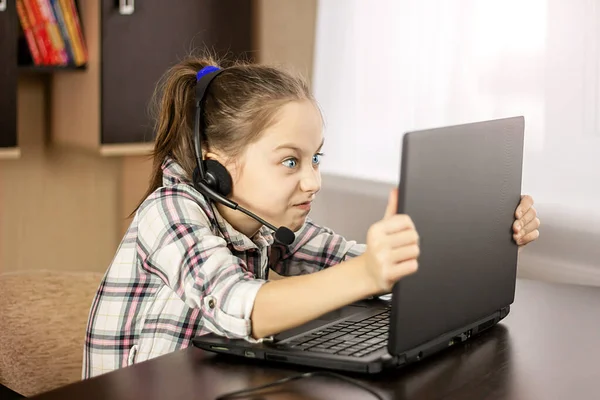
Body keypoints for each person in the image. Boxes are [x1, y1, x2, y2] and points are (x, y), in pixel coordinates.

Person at [82, 54, 540, 379]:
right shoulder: (169, 212)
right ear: (216, 164)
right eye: (290, 161)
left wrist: (485, 233)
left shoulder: (263, 223)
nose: (312, 181)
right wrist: (366, 273)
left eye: (316, 159)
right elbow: (242, 304)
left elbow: (350, 259)